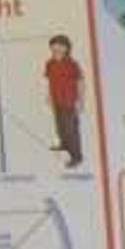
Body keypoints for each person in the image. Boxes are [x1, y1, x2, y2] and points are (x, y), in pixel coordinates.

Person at [43, 33, 83, 169]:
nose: (56, 50)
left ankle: (76, 157)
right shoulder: (50, 64)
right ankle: (64, 145)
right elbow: (49, 81)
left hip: (69, 101)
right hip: (56, 100)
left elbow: (80, 83)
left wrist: (80, 100)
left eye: (59, 47)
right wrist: (49, 95)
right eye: (53, 47)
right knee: (60, 126)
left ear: (66, 48)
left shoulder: (72, 64)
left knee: (71, 129)